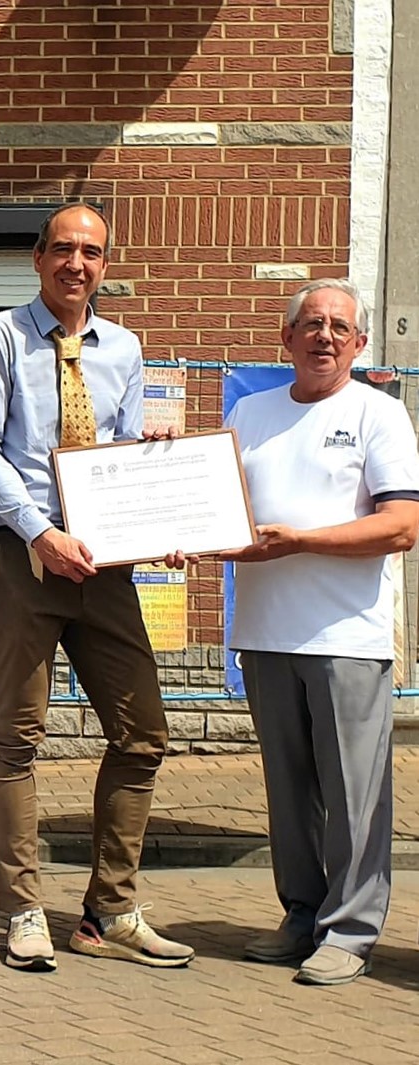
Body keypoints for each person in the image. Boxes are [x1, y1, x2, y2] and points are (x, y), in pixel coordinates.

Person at [0, 203, 192, 971]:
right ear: (37, 258)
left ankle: (110, 909)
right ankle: (23, 908)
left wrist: (153, 474)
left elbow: (117, 456)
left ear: (104, 265)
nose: (77, 264)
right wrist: (40, 532)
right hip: (26, 560)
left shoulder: (124, 347)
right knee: (18, 736)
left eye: (91, 253)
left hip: (105, 568)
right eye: (63, 249)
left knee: (143, 730)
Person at [197, 279, 418, 985]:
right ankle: (301, 915)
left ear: (357, 344)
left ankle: (350, 930)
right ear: (286, 340)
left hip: (346, 635)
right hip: (265, 631)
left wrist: (303, 540)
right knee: (289, 791)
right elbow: (211, 503)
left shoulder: (379, 415)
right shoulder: (251, 412)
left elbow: (402, 525)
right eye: (311, 323)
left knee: (355, 793)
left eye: (339, 326)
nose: (324, 335)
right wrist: (164, 481)